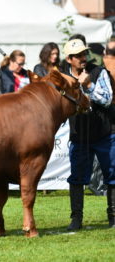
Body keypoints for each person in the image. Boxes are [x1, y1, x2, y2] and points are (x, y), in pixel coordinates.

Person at [61, 38, 115, 230]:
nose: (83, 58)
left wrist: (89, 86)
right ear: (69, 59)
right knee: (77, 178)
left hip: (104, 133)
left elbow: (108, 100)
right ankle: (76, 220)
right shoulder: (62, 75)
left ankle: (113, 218)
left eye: (85, 54)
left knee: (112, 176)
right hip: (79, 135)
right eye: (78, 56)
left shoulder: (99, 72)